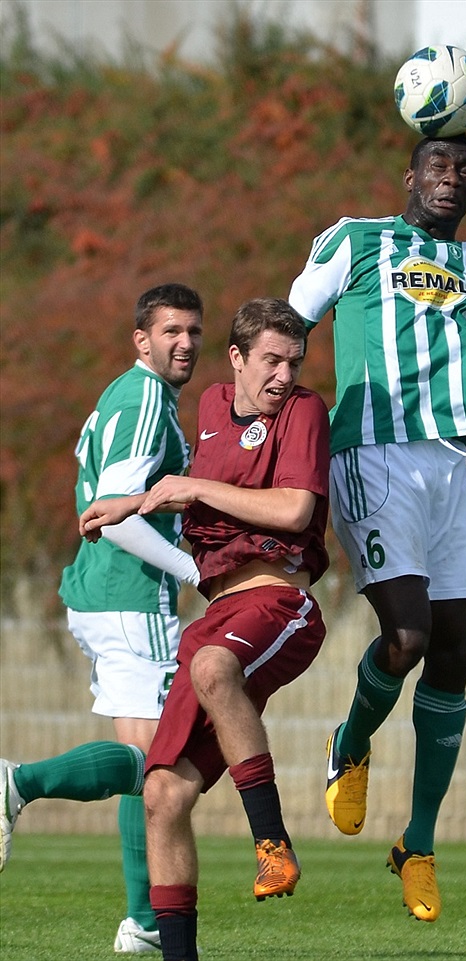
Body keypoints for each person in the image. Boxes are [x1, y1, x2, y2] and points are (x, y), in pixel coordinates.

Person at [288, 132, 466, 923]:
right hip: (371, 452)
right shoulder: (356, 239)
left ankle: (420, 842)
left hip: (448, 464)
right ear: (410, 175)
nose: (452, 177)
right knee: (403, 637)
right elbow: (288, 324)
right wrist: (266, 428)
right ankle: (350, 739)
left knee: (455, 649)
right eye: (438, 165)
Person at [77, 298, 330, 961]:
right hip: (216, 612)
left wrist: (191, 487)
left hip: (278, 600)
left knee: (213, 667)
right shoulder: (214, 407)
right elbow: (191, 489)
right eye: (271, 361)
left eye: (293, 362)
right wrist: (133, 502)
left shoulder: (305, 411)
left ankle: (272, 844)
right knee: (162, 792)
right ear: (238, 358)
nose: (283, 376)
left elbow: (295, 507)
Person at [0, 283, 204, 953]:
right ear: (141, 339)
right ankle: (17, 782)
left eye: (193, 331)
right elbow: (116, 515)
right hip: (130, 594)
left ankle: (143, 920)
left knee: (147, 763)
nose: (184, 342)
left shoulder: (126, 393)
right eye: (170, 330)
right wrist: (192, 569)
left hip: (101, 594)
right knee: (157, 764)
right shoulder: (145, 397)